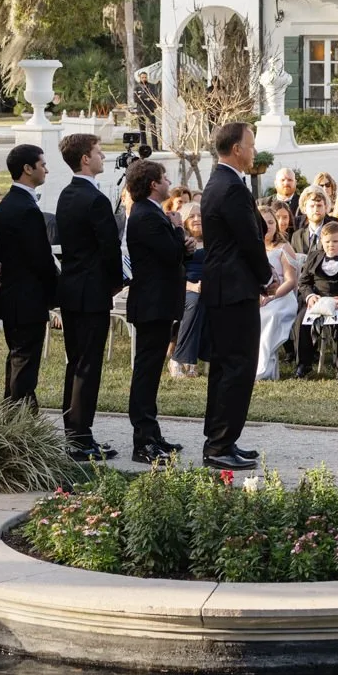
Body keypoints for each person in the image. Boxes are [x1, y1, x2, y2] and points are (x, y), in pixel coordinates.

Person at [200, 120, 275, 469]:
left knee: (228, 366)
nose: (254, 150)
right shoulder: (229, 187)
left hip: (225, 288)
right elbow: (249, 239)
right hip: (233, 288)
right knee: (237, 367)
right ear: (236, 149)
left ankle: (221, 438)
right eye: (251, 144)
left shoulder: (223, 182)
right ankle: (219, 445)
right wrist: (267, 278)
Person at [54, 132, 123, 458]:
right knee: (88, 365)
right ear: (85, 158)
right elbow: (109, 247)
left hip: (72, 289)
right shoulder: (95, 199)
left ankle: (75, 432)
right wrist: (116, 281)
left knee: (76, 363)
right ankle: (81, 438)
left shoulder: (67, 194)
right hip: (92, 290)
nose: (103, 157)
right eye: (98, 152)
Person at [124, 157, 187, 462]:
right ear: (152, 184)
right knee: (146, 372)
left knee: (151, 371)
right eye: (164, 178)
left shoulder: (150, 212)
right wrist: (177, 229)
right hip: (152, 303)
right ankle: (143, 441)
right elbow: (171, 253)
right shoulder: (147, 215)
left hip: (158, 302)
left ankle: (153, 433)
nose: (168, 182)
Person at [0, 143, 58, 410]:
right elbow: (40, 257)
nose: (46, 169)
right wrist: (56, 291)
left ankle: (14, 411)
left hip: (16, 294)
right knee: (24, 359)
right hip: (25, 297)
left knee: (19, 357)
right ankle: (21, 413)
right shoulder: (24, 208)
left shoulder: (12, 202)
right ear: (27, 169)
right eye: (42, 164)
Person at [296, 218, 338, 379]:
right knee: (301, 320)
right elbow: (303, 282)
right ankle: (304, 364)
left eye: (335, 241)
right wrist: (310, 296)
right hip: (318, 300)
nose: (331, 245)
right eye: (327, 242)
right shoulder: (314, 256)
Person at [257, 205, 300, 379]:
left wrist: (272, 297)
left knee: (270, 316)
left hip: (282, 297)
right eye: (262, 222)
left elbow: (291, 281)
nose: (267, 226)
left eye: (270, 222)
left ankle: (263, 369)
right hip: (257, 296)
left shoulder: (283, 247)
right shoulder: (252, 247)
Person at [170, 199, 208, 377]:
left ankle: (187, 358)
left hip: (208, 287)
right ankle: (179, 359)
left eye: (200, 215)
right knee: (194, 302)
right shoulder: (180, 241)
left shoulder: (212, 240)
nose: (196, 219)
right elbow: (172, 272)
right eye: (192, 216)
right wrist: (191, 286)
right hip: (182, 287)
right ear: (184, 220)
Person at [290, 185, 331, 256]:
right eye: (312, 206)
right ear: (304, 209)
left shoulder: (334, 233)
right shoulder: (297, 236)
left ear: (325, 207)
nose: (316, 209)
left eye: (319, 205)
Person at [133, 69, 160, 143]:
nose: (144, 79)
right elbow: (136, 99)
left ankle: (155, 147)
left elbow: (154, 96)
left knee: (153, 128)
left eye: (145, 77)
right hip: (140, 110)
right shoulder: (137, 87)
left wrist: (141, 96)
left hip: (150, 109)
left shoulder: (152, 86)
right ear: (140, 78)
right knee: (142, 129)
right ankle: (144, 145)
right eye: (142, 77)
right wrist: (146, 97)